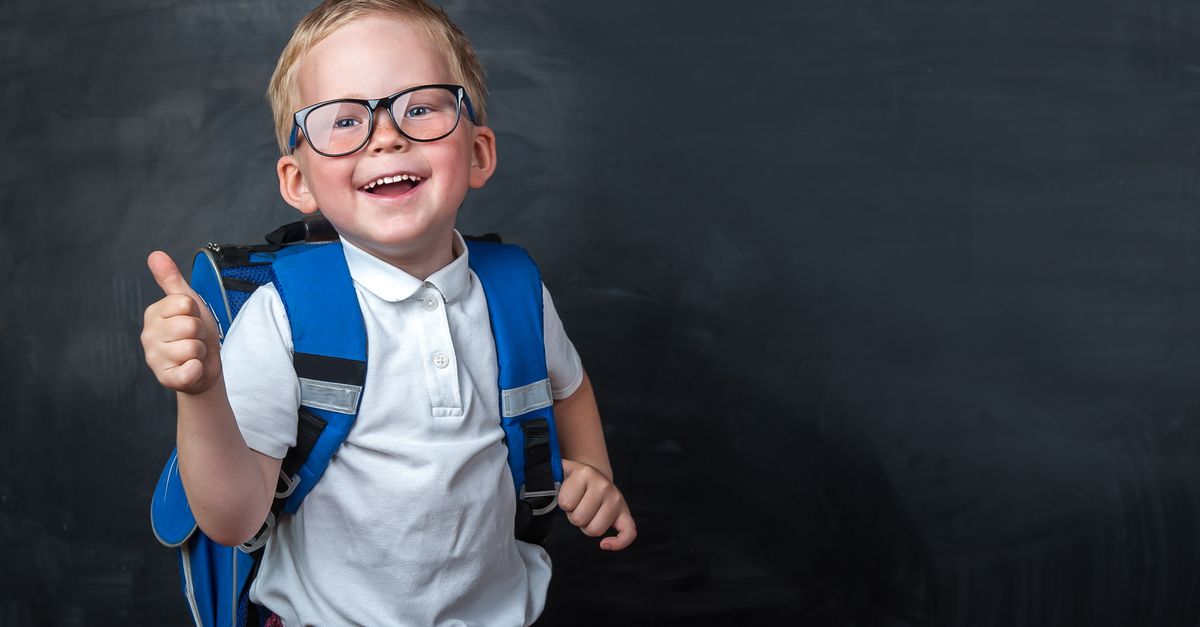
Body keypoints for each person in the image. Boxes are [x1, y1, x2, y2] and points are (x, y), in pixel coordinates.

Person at [139, 1, 635, 624]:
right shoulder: (284, 316)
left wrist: (592, 469)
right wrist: (203, 392)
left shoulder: (517, 292)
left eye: (421, 107)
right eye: (343, 120)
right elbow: (233, 520)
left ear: (479, 153)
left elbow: (569, 386)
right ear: (299, 181)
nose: (386, 134)